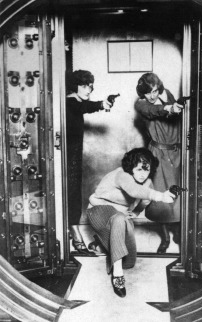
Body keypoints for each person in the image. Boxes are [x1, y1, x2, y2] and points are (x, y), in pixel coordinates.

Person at [86, 148, 175, 298]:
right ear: (131, 167)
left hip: (119, 217)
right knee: (120, 220)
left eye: (146, 170)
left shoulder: (147, 182)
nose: (142, 174)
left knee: (129, 262)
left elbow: (145, 199)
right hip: (99, 211)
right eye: (139, 169)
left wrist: (135, 213)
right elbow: (134, 191)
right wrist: (160, 196)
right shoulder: (122, 175)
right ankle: (118, 276)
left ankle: (102, 241)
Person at [135, 73, 183, 254]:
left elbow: (169, 101)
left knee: (179, 196)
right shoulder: (140, 104)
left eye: (155, 91)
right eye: (148, 93)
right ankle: (165, 238)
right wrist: (169, 108)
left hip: (177, 153)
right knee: (161, 197)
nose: (152, 96)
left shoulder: (166, 94)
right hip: (158, 154)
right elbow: (153, 110)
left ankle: (179, 232)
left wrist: (171, 104)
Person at [66, 69, 111, 255]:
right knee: (70, 193)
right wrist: (101, 104)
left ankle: (72, 228)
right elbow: (82, 107)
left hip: (73, 155)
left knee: (74, 192)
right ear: (74, 86)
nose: (88, 90)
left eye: (90, 87)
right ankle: (74, 232)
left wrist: (101, 104)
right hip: (66, 157)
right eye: (84, 86)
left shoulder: (75, 102)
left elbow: (83, 106)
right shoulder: (69, 102)